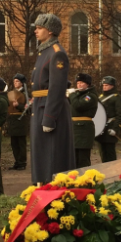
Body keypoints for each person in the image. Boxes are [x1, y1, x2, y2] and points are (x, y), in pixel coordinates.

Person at [30, 13, 74, 185]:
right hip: (40, 106)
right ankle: (40, 186)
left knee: (52, 156)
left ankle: (50, 190)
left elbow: (56, 87)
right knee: (41, 154)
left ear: (50, 31)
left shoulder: (57, 53)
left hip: (49, 110)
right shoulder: (44, 52)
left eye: (40, 28)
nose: (36, 31)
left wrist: (49, 117)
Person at [69, 73, 99, 169]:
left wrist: (72, 94)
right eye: (78, 83)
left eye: (82, 83)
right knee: (73, 157)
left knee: (83, 159)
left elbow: (78, 105)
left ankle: (84, 180)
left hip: (84, 129)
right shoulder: (78, 95)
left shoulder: (90, 96)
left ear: (88, 84)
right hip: (74, 127)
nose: (79, 85)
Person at [96, 77, 121, 163]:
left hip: (110, 127)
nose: (104, 87)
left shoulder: (117, 98)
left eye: (107, 85)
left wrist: (115, 128)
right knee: (102, 152)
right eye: (103, 85)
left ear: (112, 86)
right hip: (101, 128)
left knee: (110, 153)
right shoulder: (100, 97)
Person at [6, 73, 29, 171]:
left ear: (22, 83)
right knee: (14, 143)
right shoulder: (12, 93)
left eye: (17, 81)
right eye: (14, 81)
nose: (15, 83)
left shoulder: (27, 94)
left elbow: (29, 109)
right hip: (12, 120)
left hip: (21, 120)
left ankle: (22, 162)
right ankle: (17, 162)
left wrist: (18, 105)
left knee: (21, 143)